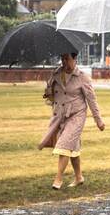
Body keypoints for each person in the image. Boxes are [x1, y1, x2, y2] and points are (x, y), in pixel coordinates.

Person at [39, 52, 105, 189]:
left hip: (77, 115)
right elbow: (51, 96)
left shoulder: (82, 77)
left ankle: (58, 179)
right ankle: (79, 177)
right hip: (60, 116)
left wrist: (98, 120)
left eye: (67, 59)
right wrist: (48, 93)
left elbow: (91, 100)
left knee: (64, 145)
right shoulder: (55, 74)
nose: (64, 62)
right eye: (62, 58)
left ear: (75, 59)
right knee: (72, 146)